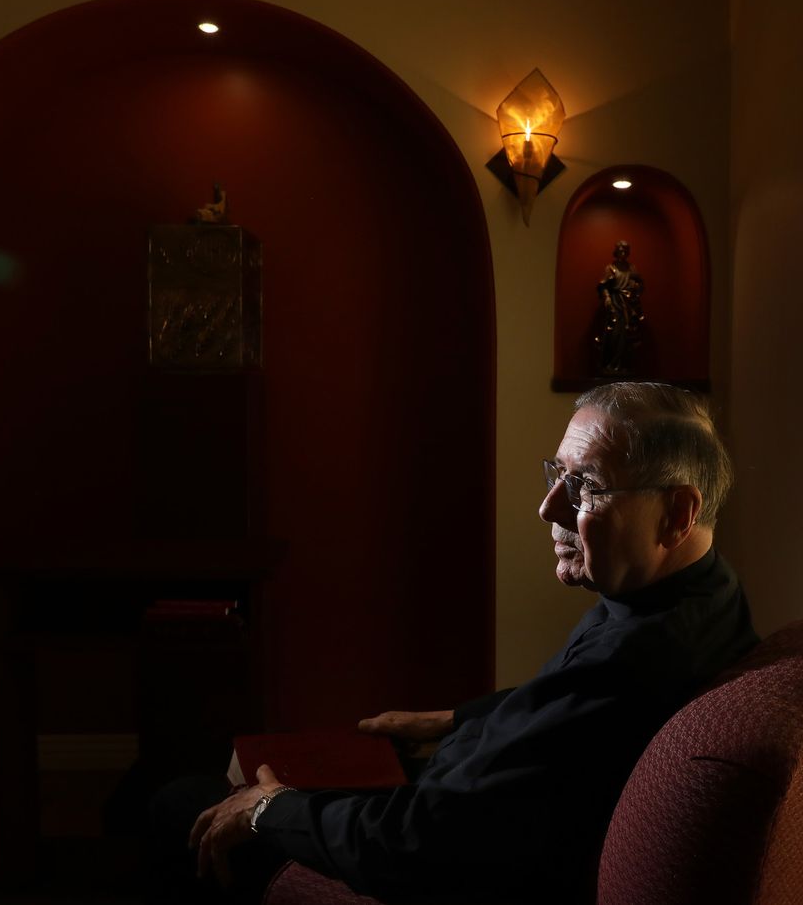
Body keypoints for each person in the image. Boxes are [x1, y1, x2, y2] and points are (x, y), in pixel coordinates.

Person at [175, 382, 757, 903]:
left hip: (436, 859)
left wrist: (270, 810)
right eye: (557, 475)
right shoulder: (705, 595)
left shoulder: (628, 667)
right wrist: (453, 719)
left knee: (180, 804)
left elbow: (417, 846)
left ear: (678, 513)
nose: (547, 507)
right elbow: (558, 712)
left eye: (584, 487)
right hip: (454, 815)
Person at [595, 241, 645, 375]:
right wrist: (607, 297)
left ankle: (623, 365)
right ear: (616, 252)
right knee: (614, 334)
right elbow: (603, 286)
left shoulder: (631, 268)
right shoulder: (611, 268)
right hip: (615, 304)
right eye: (620, 250)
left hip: (628, 305)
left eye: (625, 251)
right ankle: (611, 364)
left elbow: (640, 284)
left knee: (627, 334)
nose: (622, 253)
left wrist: (636, 287)